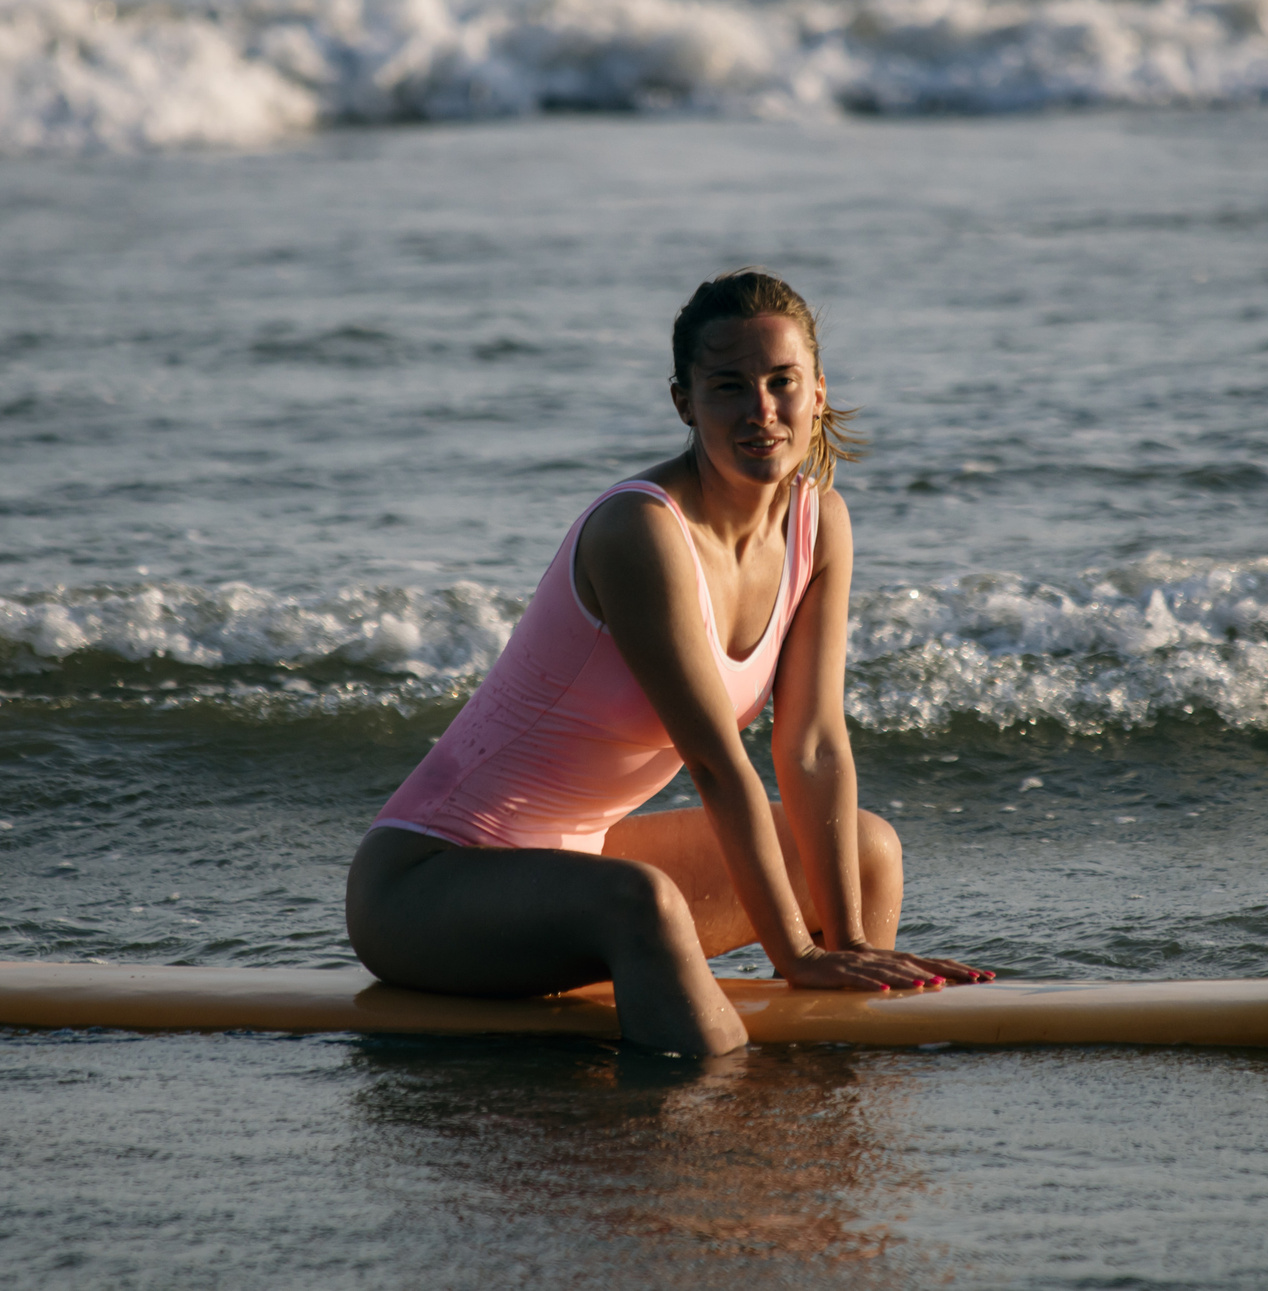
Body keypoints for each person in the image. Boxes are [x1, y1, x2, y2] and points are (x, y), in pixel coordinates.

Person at [346, 269, 989, 1056]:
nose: (761, 410)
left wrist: (848, 943)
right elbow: (717, 765)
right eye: (729, 386)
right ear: (685, 401)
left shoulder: (820, 523)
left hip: (580, 867)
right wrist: (797, 952)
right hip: (427, 884)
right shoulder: (641, 533)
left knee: (868, 849)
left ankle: (831, 1114)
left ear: (818, 391)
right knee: (644, 904)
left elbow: (815, 744)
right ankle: (708, 1133)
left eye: (782, 382)